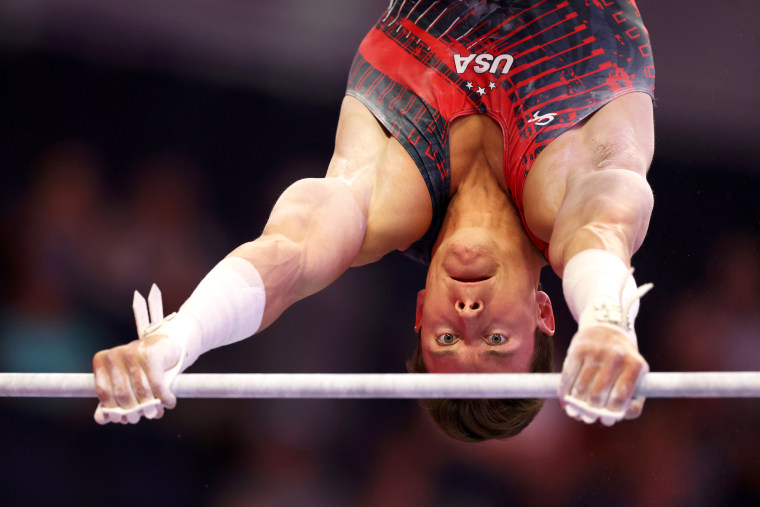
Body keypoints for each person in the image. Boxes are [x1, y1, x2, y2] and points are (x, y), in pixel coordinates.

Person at [93, 0, 656, 441]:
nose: (466, 316)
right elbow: (603, 230)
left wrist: (177, 341)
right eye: (495, 338)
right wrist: (607, 322)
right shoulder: (568, 193)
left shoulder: (386, 198)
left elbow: (289, 252)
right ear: (543, 313)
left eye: (444, 337)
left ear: (418, 312)